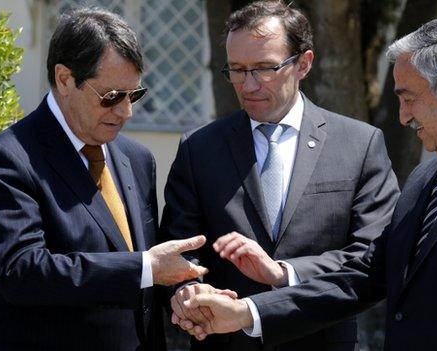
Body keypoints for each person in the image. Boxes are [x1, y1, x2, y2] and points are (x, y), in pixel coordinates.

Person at [177, 18, 437, 351]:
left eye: (409, 98)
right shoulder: (428, 178)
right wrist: (248, 313)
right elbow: (364, 275)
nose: (403, 116)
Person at [0, 8, 213, 351]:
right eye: (112, 97)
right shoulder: (8, 159)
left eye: (135, 95)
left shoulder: (136, 158)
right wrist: (146, 267)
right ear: (65, 79)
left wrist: (183, 293)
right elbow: (21, 272)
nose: (126, 111)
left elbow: (145, 267)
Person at [162, 1, 399, 350]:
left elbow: (373, 255)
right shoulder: (199, 148)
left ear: (304, 63)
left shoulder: (359, 145)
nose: (248, 84)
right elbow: (180, 247)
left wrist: (285, 272)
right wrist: (188, 290)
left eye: (264, 68)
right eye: (237, 70)